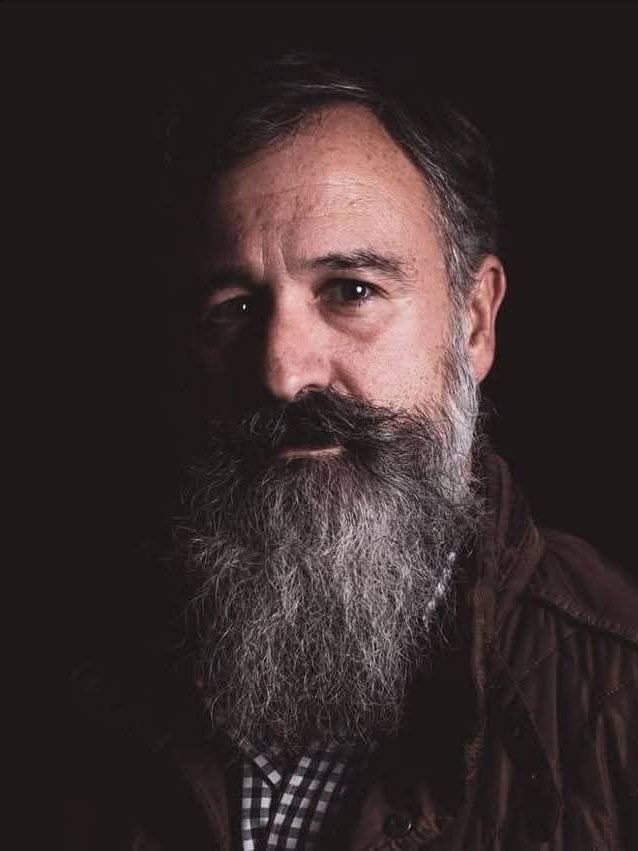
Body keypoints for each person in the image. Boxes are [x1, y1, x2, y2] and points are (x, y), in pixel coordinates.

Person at [60, 54, 638, 850]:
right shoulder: (70, 660)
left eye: (351, 290)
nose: (282, 371)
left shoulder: (617, 695)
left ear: (474, 322)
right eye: (234, 306)